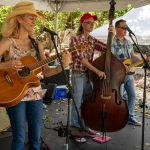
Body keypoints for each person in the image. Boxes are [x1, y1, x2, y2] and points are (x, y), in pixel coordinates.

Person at [0, 1, 71, 150]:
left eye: (35, 17)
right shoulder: (7, 42)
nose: (35, 20)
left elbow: (46, 72)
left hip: (35, 93)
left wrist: (62, 65)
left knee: (36, 137)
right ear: (19, 19)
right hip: (13, 93)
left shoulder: (36, 44)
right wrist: (6, 65)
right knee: (19, 137)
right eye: (30, 17)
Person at [69, 13, 114, 142]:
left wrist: (113, 35)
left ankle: (84, 127)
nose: (91, 24)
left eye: (93, 23)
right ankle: (75, 131)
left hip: (87, 75)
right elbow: (82, 60)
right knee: (77, 103)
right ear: (82, 24)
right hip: (78, 74)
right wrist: (98, 71)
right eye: (88, 22)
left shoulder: (92, 39)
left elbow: (107, 48)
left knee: (87, 102)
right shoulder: (75, 39)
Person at [111, 19, 142, 126]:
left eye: (126, 27)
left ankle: (130, 117)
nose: (126, 30)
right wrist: (122, 65)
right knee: (119, 98)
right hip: (118, 75)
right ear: (117, 28)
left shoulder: (129, 42)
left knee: (132, 96)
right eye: (123, 27)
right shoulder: (112, 41)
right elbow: (111, 58)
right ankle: (117, 117)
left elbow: (132, 56)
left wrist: (141, 59)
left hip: (129, 75)